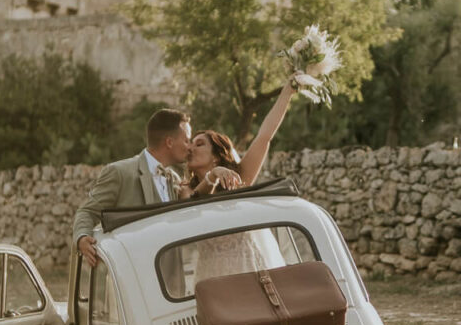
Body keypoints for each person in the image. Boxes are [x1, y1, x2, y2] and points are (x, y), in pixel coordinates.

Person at [72, 108, 237, 267]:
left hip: (170, 284)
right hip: (134, 275)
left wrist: (214, 175)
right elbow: (87, 211)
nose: (189, 147)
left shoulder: (174, 179)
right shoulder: (120, 173)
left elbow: (193, 206)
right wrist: (82, 237)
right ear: (169, 142)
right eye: (186, 140)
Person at [183, 83, 297, 284]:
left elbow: (264, 136)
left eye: (199, 143)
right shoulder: (185, 189)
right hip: (211, 278)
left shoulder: (239, 179)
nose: (191, 148)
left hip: (249, 269)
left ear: (217, 157)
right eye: (190, 143)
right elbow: (193, 203)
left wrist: (287, 92)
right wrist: (213, 176)